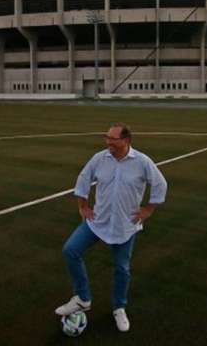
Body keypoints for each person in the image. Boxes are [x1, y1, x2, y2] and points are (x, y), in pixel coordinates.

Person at [55, 122, 168, 332]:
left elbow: (160, 184)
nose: (108, 142)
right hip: (98, 221)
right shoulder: (100, 158)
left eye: (113, 139)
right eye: (106, 138)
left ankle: (119, 308)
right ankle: (82, 298)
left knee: (121, 269)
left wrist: (148, 210)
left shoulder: (142, 162)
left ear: (125, 141)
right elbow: (83, 178)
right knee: (70, 250)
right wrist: (83, 206)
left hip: (125, 226)